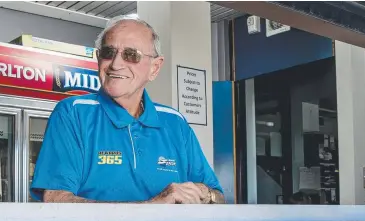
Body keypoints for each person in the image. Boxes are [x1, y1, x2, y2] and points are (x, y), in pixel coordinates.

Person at [30, 15, 225, 204]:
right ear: (98, 59)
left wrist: (205, 194)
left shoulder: (176, 123)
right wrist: (151, 206)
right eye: (108, 53)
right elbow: (56, 199)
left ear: (155, 68)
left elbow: (218, 196)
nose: (116, 64)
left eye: (131, 55)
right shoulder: (73, 113)